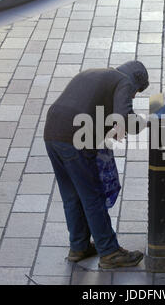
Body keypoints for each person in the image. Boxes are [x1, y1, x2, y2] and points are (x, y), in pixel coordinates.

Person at [43, 60, 149, 269]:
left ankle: (79, 246)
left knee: (71, 194)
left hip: (52, 132)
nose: (134, 95)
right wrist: (147, 122)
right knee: (93, 195)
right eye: (137, 91)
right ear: (135, 82)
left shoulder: (95, 73)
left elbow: (94, 109)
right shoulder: (124, 82)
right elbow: (125, 117)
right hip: (74, 138)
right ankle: (109, 252)